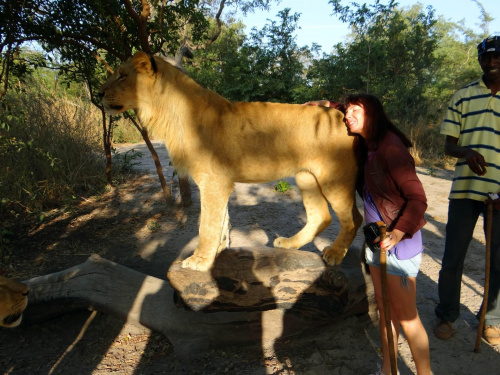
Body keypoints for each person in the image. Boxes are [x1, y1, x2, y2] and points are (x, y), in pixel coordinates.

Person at [308, 94, 431, 374]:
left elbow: (418, 199)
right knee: (386, 313)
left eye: (355, 112)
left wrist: (399, 233)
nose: (347, 116)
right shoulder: (370, 144)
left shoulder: (391, 148)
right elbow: (346, 109)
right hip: (377, 241)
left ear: (372, 115)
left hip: (399, 246)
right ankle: (389, 370)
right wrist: (329, 105)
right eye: (347, 111)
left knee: (407, 318)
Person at [434, 36, 500, 344]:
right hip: (463, 191)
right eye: (486, 58)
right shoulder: (462, 96)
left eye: (497, 57)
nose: (491, 62)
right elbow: (449, 145)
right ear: (479, 61)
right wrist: (467, 152)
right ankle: (447, 315)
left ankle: (491, 320)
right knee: (453, 257)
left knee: (498, 260)